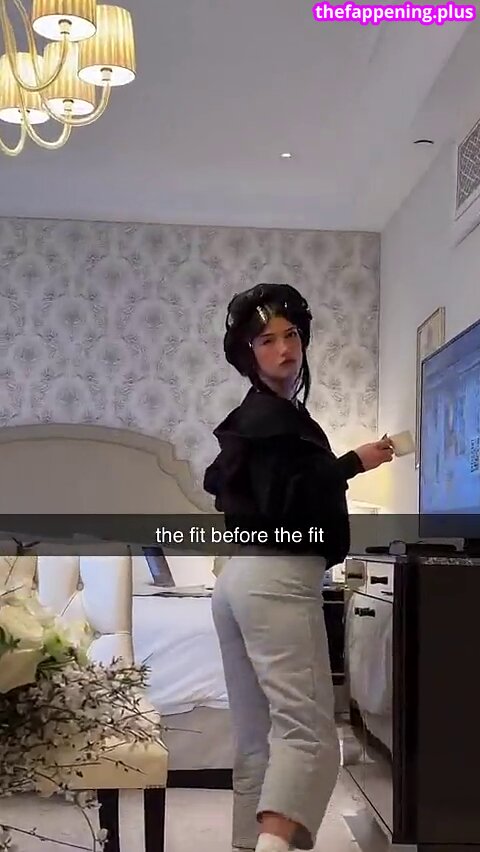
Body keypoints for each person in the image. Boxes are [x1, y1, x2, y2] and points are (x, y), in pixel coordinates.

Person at [203, 283, 393, 852]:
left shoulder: (262, 417)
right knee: (308, 736)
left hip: (238, 582)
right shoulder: (271, 419)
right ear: (248, 352)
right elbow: (285, 499)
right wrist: (353, 463)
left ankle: (250, 844)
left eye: (291, 336)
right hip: (276, 581)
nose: (284, 349)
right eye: (267, 340)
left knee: (258, 740)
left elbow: (267, 491)